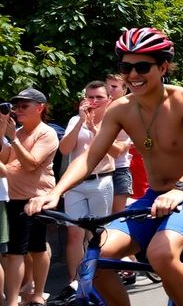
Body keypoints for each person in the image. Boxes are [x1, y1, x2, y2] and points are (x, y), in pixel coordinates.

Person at [26, 28, 183, 306]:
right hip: (153, 199)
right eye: (126, 67)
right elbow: (89, 157)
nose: (133, 75)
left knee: (161, 254)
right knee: (95, 260)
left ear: (163, 67)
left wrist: (181, 188)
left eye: (142, 66)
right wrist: (55, 192)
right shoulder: (121, 109)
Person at [56, 81, 117, 301]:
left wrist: (94, 129)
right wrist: (81, 121)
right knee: (74, 232)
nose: (93, 102)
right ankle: (75, 281)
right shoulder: (75, 120)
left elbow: (118, 152)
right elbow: (64, 149)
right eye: (89, 97)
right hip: (76, 183)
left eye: (98, 97)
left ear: (108, 100)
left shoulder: (114, 119)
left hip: (101, 181)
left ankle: (99, 278)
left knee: (98, 233)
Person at [0, 89, 57, 306]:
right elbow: (4, 161)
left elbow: (31, 164)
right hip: (14, 198)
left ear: (39, 108)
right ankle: (17, 298)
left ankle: (36, 294)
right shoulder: (19, 132)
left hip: (36, 198)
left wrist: (13, 140)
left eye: (24, 106)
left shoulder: (47, 133)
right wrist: (2, 134)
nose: (17, 111)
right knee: (17, 252)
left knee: (36, 247)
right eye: (16, 106)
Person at [105, 75, 134, 216]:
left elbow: (120, 149)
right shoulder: (98, 109)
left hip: (119, 168)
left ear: (124, 90)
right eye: (107, 85)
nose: (109, 89)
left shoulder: (130, 110)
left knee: (117, 215)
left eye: (114, 86)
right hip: (99, 169)